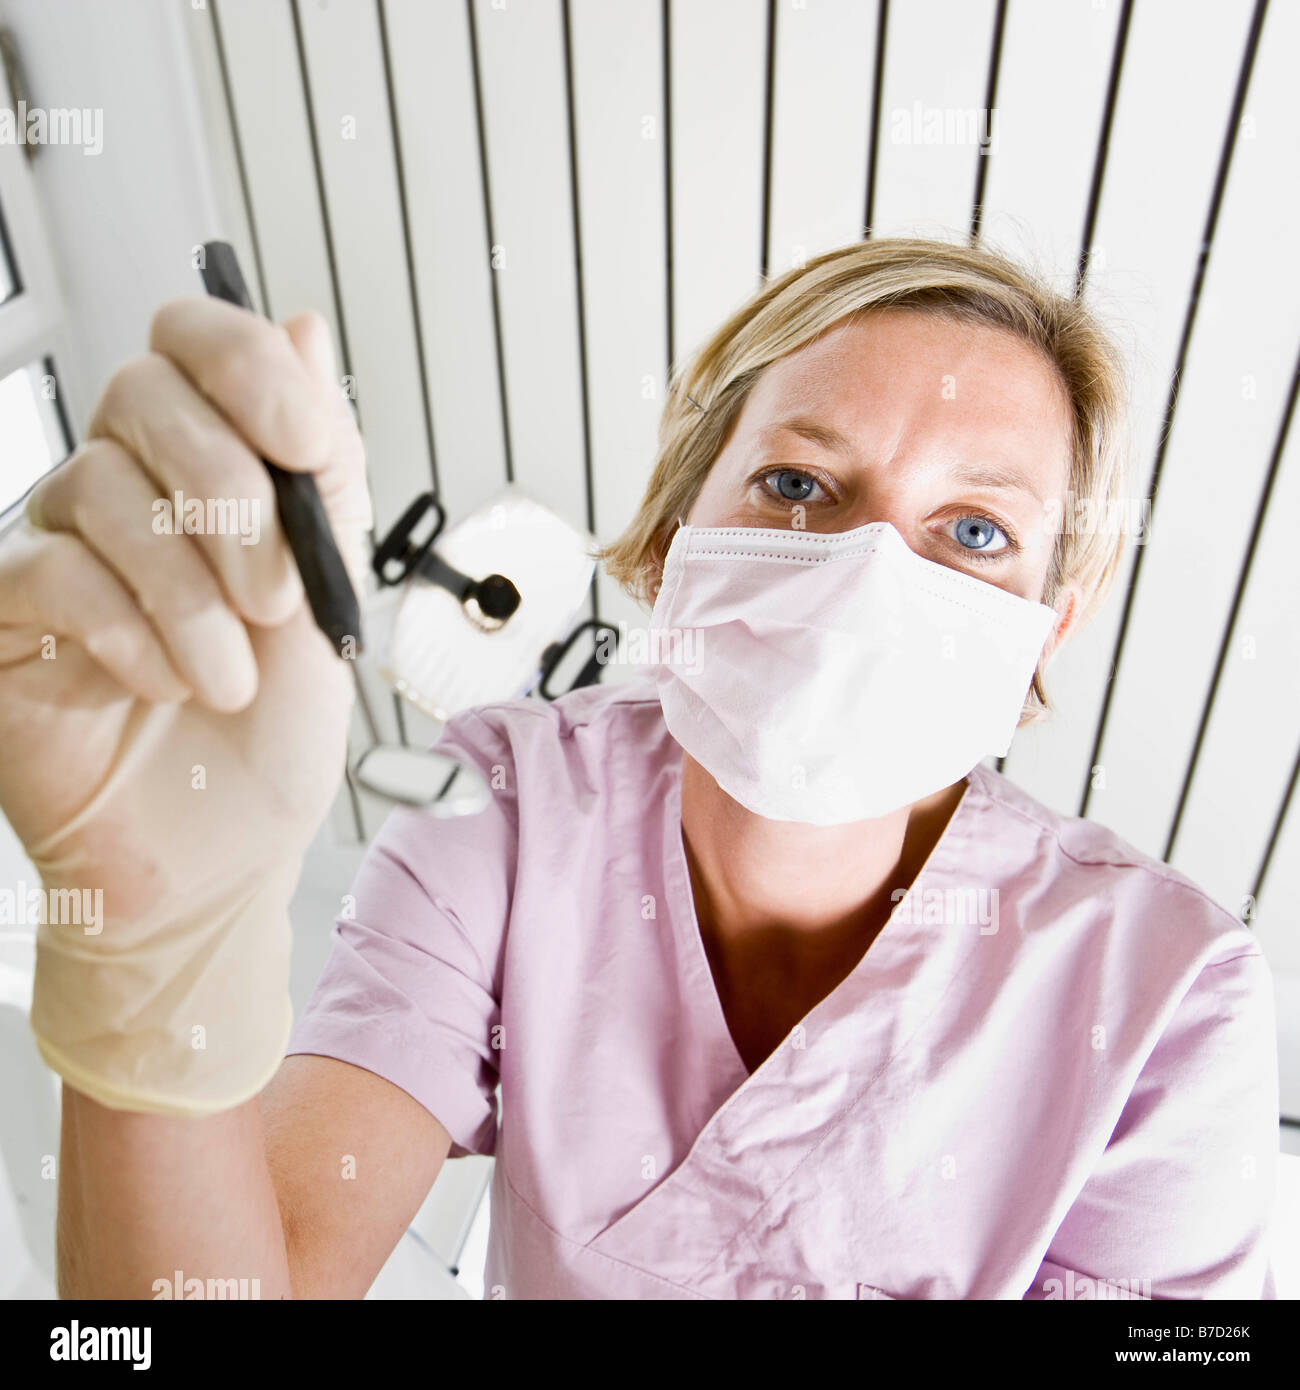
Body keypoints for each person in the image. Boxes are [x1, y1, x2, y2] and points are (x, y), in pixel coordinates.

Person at [0, 237, 1277, 1300]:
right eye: (797, 482)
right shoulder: (503, 836)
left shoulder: (1165, 999)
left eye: (977, 529)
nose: (869, 575)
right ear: (671, 539)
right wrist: (152, 948)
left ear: (1042, 631)